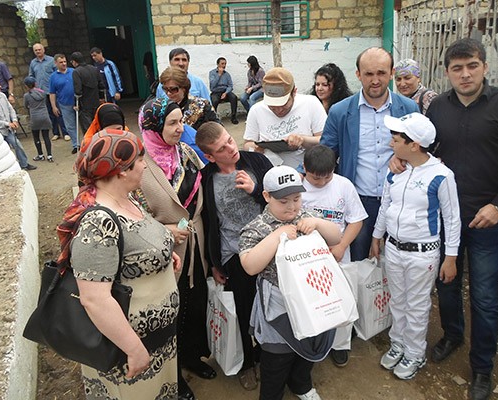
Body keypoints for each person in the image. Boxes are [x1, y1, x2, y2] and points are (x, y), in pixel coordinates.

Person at [418, 38, 498, 400]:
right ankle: (452, 335)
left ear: (485, 67)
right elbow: (426, 150)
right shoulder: (437, 108)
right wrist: (403, 157)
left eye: (472, 65)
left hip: (488, 220)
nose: (465, 74)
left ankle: (482, 367)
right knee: (447, 284)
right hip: (445, 219)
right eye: (457, 68)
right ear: (447, 73)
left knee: (486, 296)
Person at [59, 128, 181, 399]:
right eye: (140, 161)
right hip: (126, 352)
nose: (144, 166)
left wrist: (162, 256)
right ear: (122, 169)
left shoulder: (129, 199)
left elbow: (138, 241)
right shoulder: (97, 223)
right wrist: (134, 350)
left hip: (158, 341)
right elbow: (94, 299)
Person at [369, 112, 461, 380]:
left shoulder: (441, 176)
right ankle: (398, 343)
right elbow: (387, 205)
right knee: (397, 300)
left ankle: (415, 352)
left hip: (423, 254)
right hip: (394, 249)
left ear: (414, 145)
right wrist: (377, 236)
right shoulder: (396, 170)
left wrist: (451, 257)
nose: (390, 143)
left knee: (417, 304)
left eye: (395, 139)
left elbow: (452, 218)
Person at [239, 165, 342, 400]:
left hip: (313, 300)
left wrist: (317, 223)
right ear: (267, 196)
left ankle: (301, 385)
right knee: (277, 358)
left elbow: (335, 236)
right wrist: (278, 235)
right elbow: (249, 265)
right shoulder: (257, 228)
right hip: (279, 307)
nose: (292, 206)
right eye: (283, 201)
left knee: (307, 350)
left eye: (296, 199)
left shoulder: (305, 216)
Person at [135, 97, 213, 400]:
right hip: (165, 251)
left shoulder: (186, 153)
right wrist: (163, 233)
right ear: (153, 126)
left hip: (196, 242)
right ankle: (173, 374)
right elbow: (133, 215)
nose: (180, 128)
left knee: (195, 303)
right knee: (170, 312)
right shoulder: (139, 165)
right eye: (173, 123)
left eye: (182, 121)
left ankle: (193, 357)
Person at [319, 47, 419, 262]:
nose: (375, 80)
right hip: (358, 202)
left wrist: (402, 157)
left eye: (381, 73)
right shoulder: (340, 111)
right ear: (358, 74)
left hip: (399, 202)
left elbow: (420, 150)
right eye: (369, 74)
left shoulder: (409, 109)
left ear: (391, 73)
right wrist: (303, 173)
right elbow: (326, 151)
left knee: (400, 263)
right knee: (357, 263)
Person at [196, 121, 274, 391]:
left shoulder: (257, 162)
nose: (231, 148)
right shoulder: (206, 178)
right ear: (209, 156)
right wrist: (215, 263)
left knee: (272, 306)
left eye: (230, 140)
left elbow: (282, 201)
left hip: (269, 249)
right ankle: (247, 363)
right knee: (242, 309)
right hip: (234, 254)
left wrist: (256, 190)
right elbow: (207, 223)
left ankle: (271, 356)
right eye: (222, 148)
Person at [300, 144, 367, 368]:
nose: (320, 182)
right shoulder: (297, 187)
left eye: (326, 177)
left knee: (342, 299)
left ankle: (340, 345)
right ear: (304, 169)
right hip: (306, 257)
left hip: (338, 254)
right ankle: (313, 341)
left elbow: (356, 219)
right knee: (311, 300)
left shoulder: (343, 185)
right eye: (315, 178)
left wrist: (342, 246)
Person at [243, 67, 326, 168]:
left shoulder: (311, 103)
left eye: (283, 104)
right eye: (272, 106)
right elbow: (247, 144)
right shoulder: (256, 110)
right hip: (270, 172)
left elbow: (325, 141)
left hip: (306, 171)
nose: (278, 110)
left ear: (294, 92)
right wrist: (255, 148)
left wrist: (303, 140)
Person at [0, 78, 36, 171]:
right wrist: (7, 124)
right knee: (2, 151)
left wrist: (14, 120)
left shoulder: (2, 96)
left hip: (8, 128)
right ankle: (5, 169)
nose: (0, 87)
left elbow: (10, 109)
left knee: (17, 145)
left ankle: (24, 164)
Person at [160, 66, 220, 131]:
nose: (168, 93)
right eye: (165, 89)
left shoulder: (203, 106)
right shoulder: (162, 108)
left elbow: (219, 131)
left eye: (173, 89)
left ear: (184, 88)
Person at [29, 43, 69, 141]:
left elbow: (58, 73)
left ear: (43, 50)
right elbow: (31, 76)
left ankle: (65, 132)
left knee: (58, 111)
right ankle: (56, 133)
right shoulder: (33, 63)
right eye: (36, 50)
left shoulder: (51, 61)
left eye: (39, 49)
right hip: (41, 92)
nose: (38, 51)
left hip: (53, 91)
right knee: (50, 113)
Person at [49, 54, 79, 154]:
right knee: (70, 126)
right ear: (56, 63)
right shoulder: (53, 77)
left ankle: (87, 143)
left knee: (82, 123)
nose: (64, 64)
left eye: (65, 61)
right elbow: (52, 93)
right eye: (61, 62)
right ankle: (76, 144)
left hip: (78, 102)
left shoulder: (73, 71)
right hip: (64, 104)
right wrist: (53, 106)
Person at [70, 51, 105, 133]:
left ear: (74, 61)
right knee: (97, 125)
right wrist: (102, 97)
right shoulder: (94, 69)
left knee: (88, 129)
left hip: (84, 104)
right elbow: (101, 85)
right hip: (96, 102)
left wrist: (76, 103)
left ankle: (90, 144)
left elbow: (78, 90)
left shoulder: (76, 72)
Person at [23, 76, 53, 162]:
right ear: (35, 84)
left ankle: (40, 155)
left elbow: (26, 106)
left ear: (26, 86)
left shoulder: (27, 96)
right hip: (44, 116)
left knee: (36, 137)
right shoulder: (42, 93)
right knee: (46, 136)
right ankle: (49, 155)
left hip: (35, 117)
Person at [209, 57, 239, 125]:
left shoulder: (227, 74)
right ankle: (214, 119)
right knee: (214, 101)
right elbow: (212, 86)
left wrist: (226, 92)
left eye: (225, 64)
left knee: (234, 97)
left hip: (225, 92)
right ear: (218, 64)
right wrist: (219, 75)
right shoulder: (212, 73)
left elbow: (230, 86)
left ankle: (233, 117)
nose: (224, 65)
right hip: (216, 92)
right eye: (222, 63)